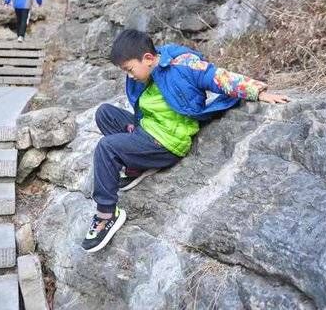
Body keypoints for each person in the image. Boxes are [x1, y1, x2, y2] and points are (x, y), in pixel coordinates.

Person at [82, 29, 291, 253]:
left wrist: (257, 91)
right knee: (104, 113)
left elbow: (218, 77)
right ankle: (137, 167)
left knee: (106, 147)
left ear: (148, 58)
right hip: (147, 129)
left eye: (130, 70)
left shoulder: (184, 67)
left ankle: (107, 214)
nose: (129, 76)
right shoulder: (147, 68)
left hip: (166, 143)